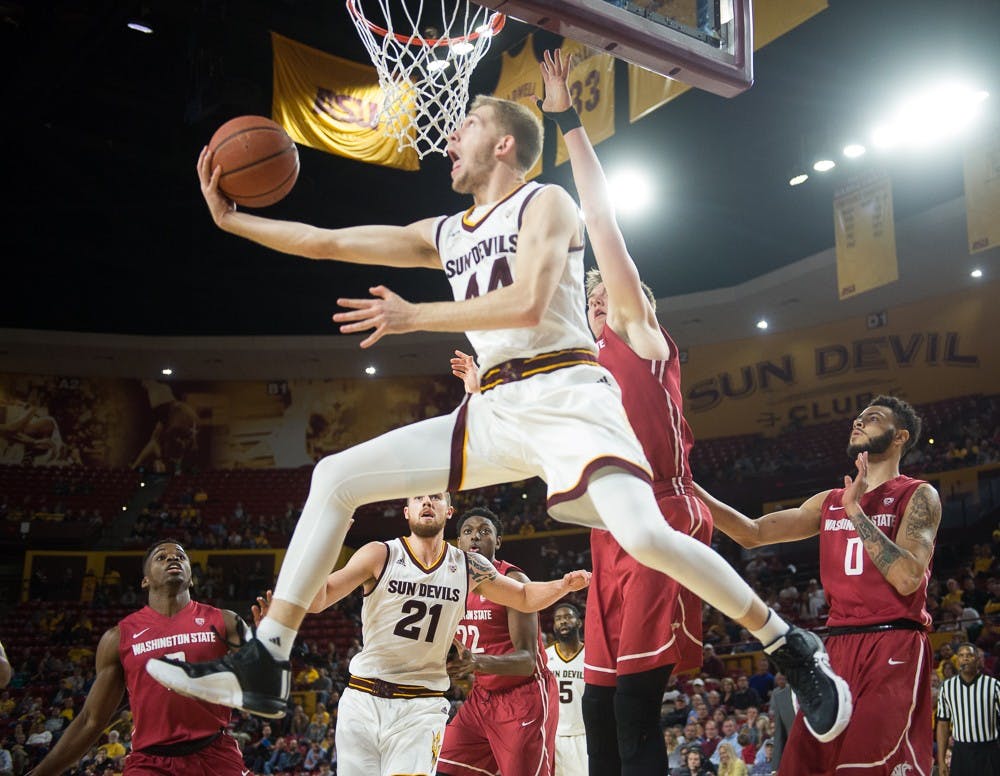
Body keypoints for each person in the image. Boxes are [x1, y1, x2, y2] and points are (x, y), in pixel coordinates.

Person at [147, 68, 851, 753]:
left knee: (644, 535)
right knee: (334, 475)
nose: (450, 139)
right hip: (497, 408)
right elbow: (326, 242)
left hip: (569, 395)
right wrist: (233, 220)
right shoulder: (447, 230)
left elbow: (529, 302)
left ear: (505, 143)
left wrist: (415, 313)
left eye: (467, 126)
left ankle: (788, 643)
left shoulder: (546, 204)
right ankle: (268, 658)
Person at [254, 494, 588, 776]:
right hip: (363, 698)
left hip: (421, 704)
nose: (427, 501)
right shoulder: (379, 554)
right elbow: (319, 598)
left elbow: (525, 597)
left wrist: (563, 585)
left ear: (448, 511)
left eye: (436, 496)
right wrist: (284, 606)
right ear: (407, 511)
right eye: (419, 497)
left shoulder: (469, 566)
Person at [698, 396, 942, 774]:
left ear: (900, 437)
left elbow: (908, 578)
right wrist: (684, 485)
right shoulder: (827, 502)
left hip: (893, 644)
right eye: (857, 418)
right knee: (806, 765)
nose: (858, 423)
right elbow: (751, 532)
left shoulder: (918, 495)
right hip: (836, 649)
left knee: (867, 765)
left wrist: (856, 512)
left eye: (872, 419)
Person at [32, 539, 248, 775]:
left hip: (215, 755)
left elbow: (266, 683)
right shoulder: (118, 637)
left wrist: (276, 635)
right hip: (150, 763)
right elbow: (91, 721)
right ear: (145, 580)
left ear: (191, 577)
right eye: (161, 557)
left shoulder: (226, 621)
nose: (172, 558)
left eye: (180, 556)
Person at [438, 508, 560, 776]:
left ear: (498, 541)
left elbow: (528, 661)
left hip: (525, 697)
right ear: (459, 542)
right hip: (481, 697)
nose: (475, 537)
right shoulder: (451, 585)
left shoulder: (514, 581)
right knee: (444, 767)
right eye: (467, 532)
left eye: (484, 531)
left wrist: (475, 662)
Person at [936, 642, 1000, 775]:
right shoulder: (947, 687)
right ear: (957, 660)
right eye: (961, 655)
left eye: (969, 655)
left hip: (989, 751)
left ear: (977, 659)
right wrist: (941, 760)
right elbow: (942, 724)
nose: (965, 658)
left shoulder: (993, 685)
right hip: (961, 752)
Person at [546, 602, 587, 776]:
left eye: (568, 617)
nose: (563, 621)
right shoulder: (545, 657)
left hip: (584, 734)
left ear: (579, 622)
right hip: (552, 735)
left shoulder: (592, 655)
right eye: (558, 618)